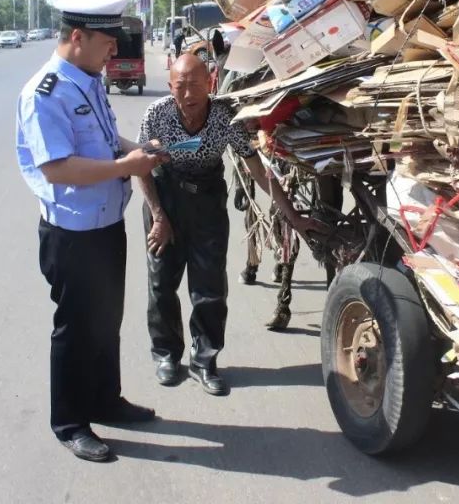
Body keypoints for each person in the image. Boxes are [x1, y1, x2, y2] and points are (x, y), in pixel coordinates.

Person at [16, 0, 167, 462]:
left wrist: (135, 149)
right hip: (74, 233)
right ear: (77, 38)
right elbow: (58, 167)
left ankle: (106, 399)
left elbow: (103, 141)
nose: (112, 53)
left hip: (106, 225)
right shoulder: (46, 92)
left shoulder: (89, 80)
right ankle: (70, 421)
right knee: (76, 329)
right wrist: (125, 165)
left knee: (106, 321)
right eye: (106, 44)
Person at [138, 54, 326, 396]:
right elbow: (142, 168)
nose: (188, 94)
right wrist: (159, 217)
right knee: (161, 284)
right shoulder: (157, 115)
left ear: (210, 84)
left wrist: (292, 215)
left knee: (210, 288)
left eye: (196, 85)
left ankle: (204, 360)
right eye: (180, 86)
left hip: (207, 201)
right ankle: (166, 354)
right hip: (164, 197)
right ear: (170, 87)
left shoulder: (225, 118)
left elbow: (257, 168)